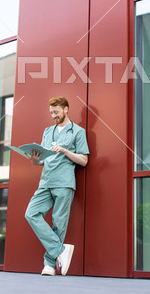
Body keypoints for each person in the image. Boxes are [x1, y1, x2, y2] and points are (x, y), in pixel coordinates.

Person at [25, 96, 89, 276]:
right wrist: (35, 160)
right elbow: (42, 160)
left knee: (59, 223)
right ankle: (60, 250)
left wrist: (65, 150)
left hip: (64, 182)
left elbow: (83, 161)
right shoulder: (47, 131)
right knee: (31, 214)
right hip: (45, 181)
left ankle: (50, 265)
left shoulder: (78, 131)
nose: (53, 115)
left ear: (66, 109)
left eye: (56, 112)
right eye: (51, 112)